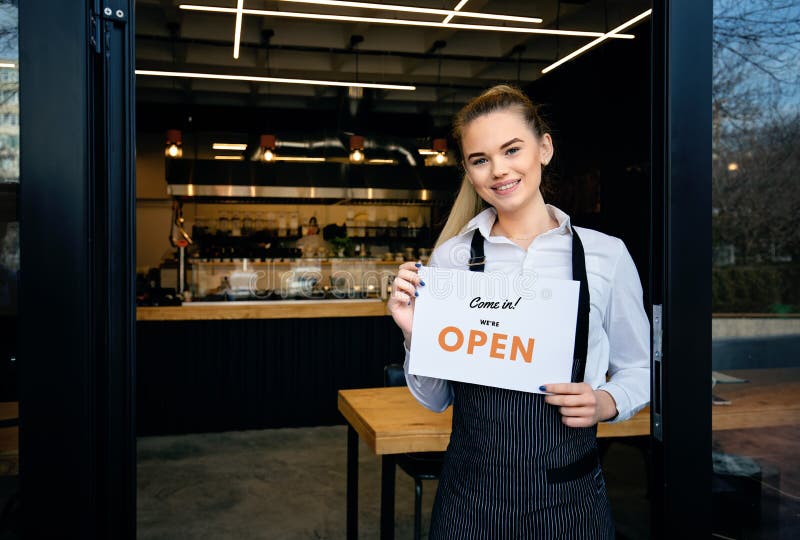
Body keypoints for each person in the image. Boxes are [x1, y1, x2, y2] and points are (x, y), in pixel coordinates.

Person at [388, 85, 650, 538]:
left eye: (512, 150)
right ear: (469, 172)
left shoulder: (605, 256)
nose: (499, 170)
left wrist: (607, 402)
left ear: (544, 149)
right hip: (469, 502)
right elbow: (434, 400)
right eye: (480, 159)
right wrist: (416, 335)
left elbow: (642, 367)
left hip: (570, 499)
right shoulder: (451, 259)